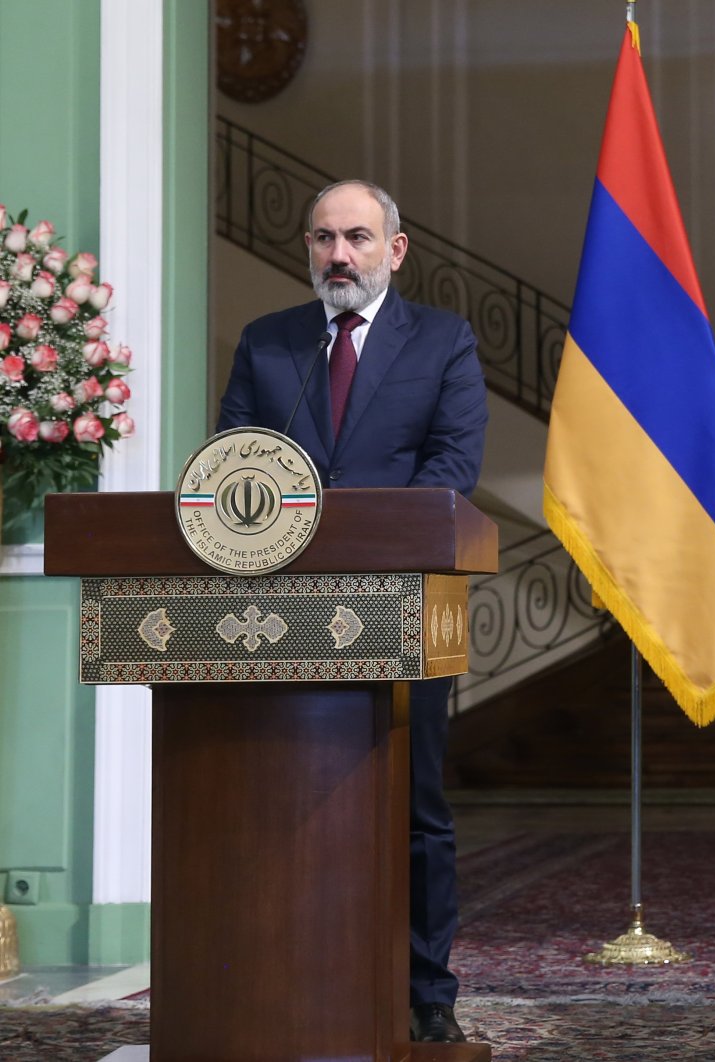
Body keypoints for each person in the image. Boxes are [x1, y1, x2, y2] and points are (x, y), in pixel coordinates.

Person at [217, 179, 489, 1043]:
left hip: (401, 608)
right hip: (279, 616)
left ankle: (427, 990)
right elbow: (231, 467)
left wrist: (360, 541)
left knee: (415, 808)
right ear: (308, 247)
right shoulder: (267, 345)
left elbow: (452, 467)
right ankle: (282, 968)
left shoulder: (443, 341)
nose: (340, 255)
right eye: (326, 238)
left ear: (394, 251)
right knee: (279, 799)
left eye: (359, 239)